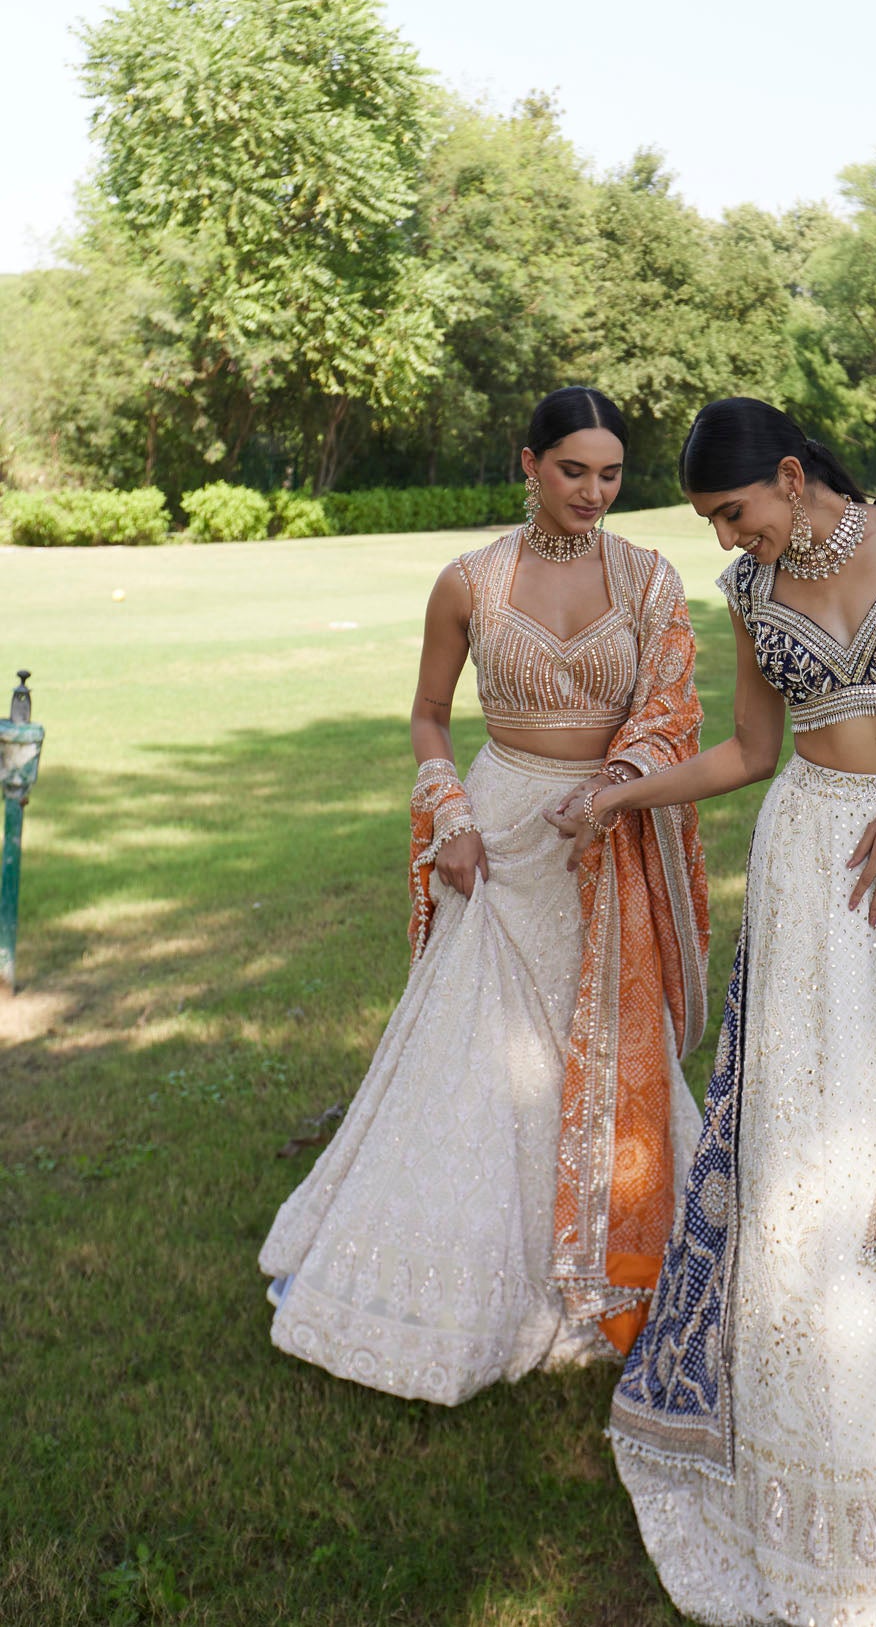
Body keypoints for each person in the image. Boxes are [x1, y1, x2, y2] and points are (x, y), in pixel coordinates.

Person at [550, 398, 876, 1626]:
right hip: (807, 863)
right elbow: (747, 748)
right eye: (709, 524)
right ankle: (808, 1411)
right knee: (804, 1138)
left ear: (791, 477)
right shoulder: (748, 595)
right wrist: (624, 797)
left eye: (733, 512)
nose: (728, 542)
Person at [259, 386, 709, 1403]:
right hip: (498, 837)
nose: (593, 492)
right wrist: (449, 813)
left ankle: (613, 1249)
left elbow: (671, 711)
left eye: (608, 473)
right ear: (527, 463)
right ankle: (446, 1278)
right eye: (571, 470)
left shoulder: (647, 576)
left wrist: (610, 787)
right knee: (469, 1054)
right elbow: (426, 714)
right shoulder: (468, 580)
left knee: (596, 1034)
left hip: (604, 831)